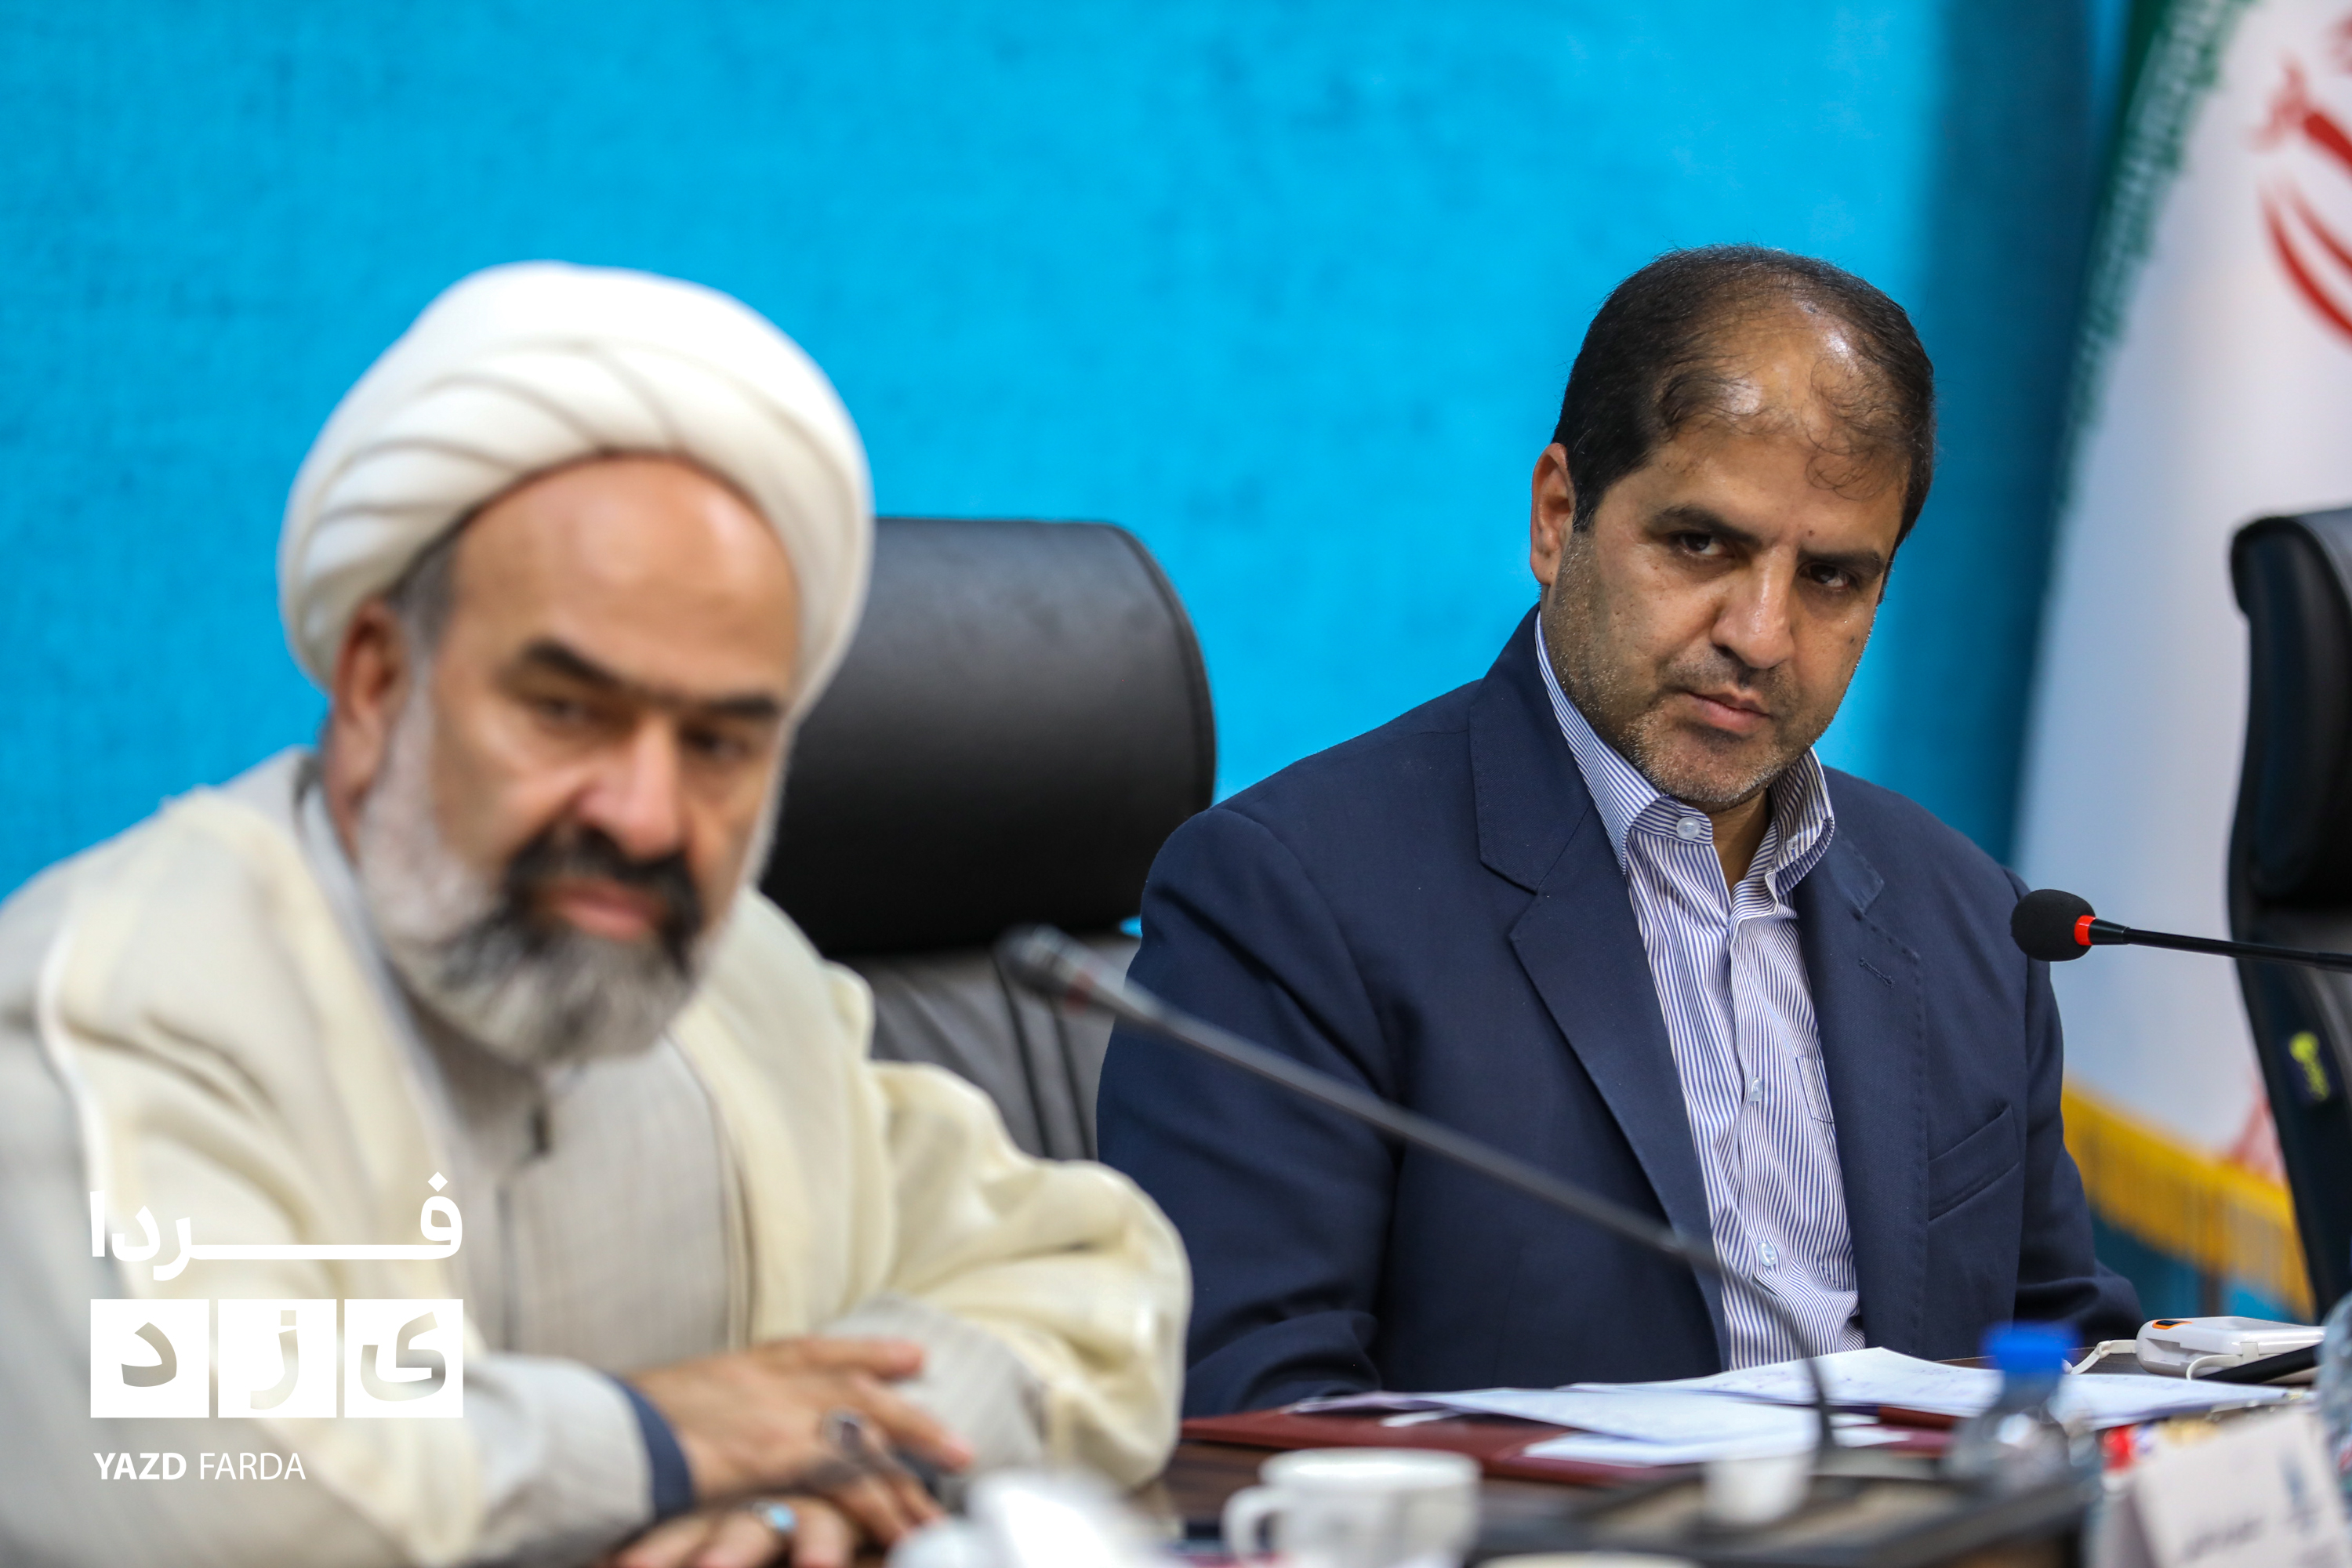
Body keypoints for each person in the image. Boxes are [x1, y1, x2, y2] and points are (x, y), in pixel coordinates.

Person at [0, 263, 1185, 1568]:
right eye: (567, 712)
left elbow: (1095, 1284)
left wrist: (845, 1455)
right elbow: (205, 1470)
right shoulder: (127, 996)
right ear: (378, 682)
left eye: (720, 743)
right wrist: (662, 1442)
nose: (645, 816)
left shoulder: (742, 986)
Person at [1096, 245, 2138, 1417]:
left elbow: (2071, 1363)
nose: (1760, 635)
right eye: (1702, 545)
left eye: (1832, 578)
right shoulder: (1294, 896)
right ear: (1559, 518)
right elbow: (1250, 1412)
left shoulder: (1973, 919)